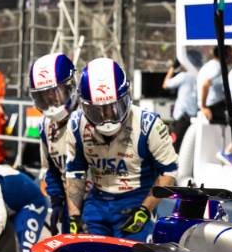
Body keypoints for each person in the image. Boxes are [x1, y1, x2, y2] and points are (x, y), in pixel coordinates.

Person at [66, 58, 178, 241]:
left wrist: (145, 209)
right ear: (84, 106)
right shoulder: (76, 124)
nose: (106, 117)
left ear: (127, 97)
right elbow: (75, 172)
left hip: (136, 202)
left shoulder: (148, 124)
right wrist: (74, 216)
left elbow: (170, 172)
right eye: (97, 110)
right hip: (97, 202)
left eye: (113, 108)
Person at [28, 52, 77, 234]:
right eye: (44, 95)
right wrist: (56, 200)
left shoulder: (91, 118)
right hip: (68, 204)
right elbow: (51, 169)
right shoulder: (45, 127)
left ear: (69, 87)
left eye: (55, 92)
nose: (51, 99)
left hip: (98, 204)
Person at [163, 59, 198, 147]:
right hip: (194, 117)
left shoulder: (184, 76)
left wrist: (172, 68)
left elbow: (165, 85)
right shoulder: (200, 75)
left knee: (175, 146)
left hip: (181, 117)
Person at [196, 49, 227, 125]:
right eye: (230, 53)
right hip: (213, 108)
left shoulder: (208, 65)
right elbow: (205, 85)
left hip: (210, 106)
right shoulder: (218, 67)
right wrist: (203, 107)